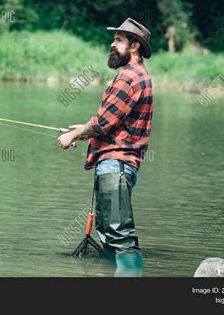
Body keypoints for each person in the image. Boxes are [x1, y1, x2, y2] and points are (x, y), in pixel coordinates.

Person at [57, 18, 153, 271]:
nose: (112, 44)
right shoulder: (135, 75)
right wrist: (84, 129)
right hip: (114, 166)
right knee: (108, 233)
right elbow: (109, 121)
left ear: (134, 46)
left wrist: (72, 136)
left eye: (119, 40)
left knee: (121, 236)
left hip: (116, 165)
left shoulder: (129, 78)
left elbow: (103, 122)